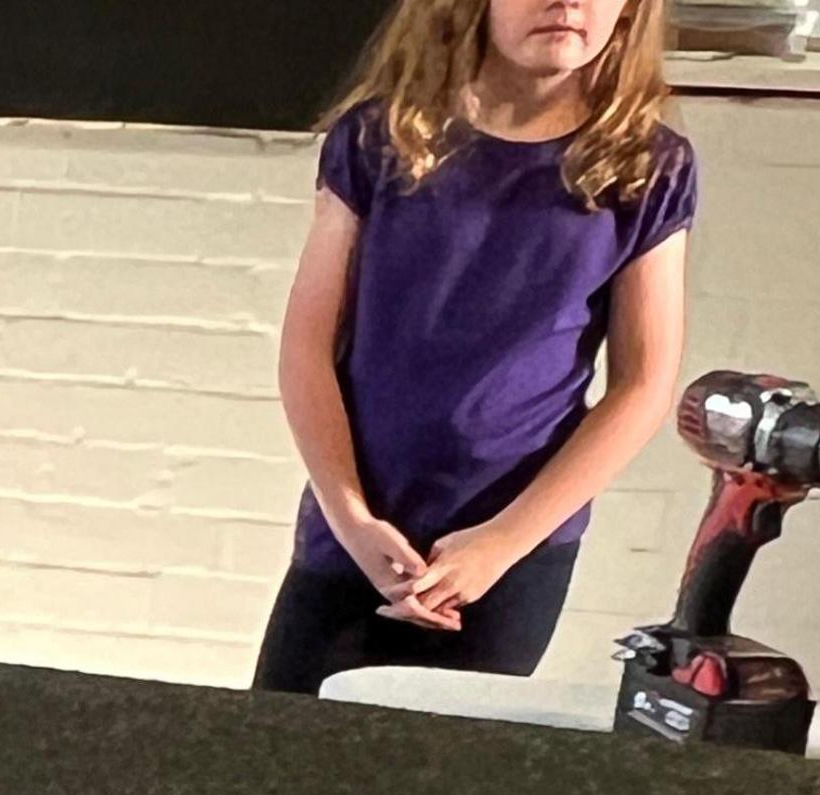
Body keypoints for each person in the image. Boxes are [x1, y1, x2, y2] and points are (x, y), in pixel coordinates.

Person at [254, 0, 695, 696]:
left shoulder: (646, 167)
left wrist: (502, 542)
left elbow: (642, 386)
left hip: (508, 557)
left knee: (452, 790)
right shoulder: (379, 138)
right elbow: (307, 348)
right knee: (279, 768)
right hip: (355, 537)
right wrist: (353, 521)